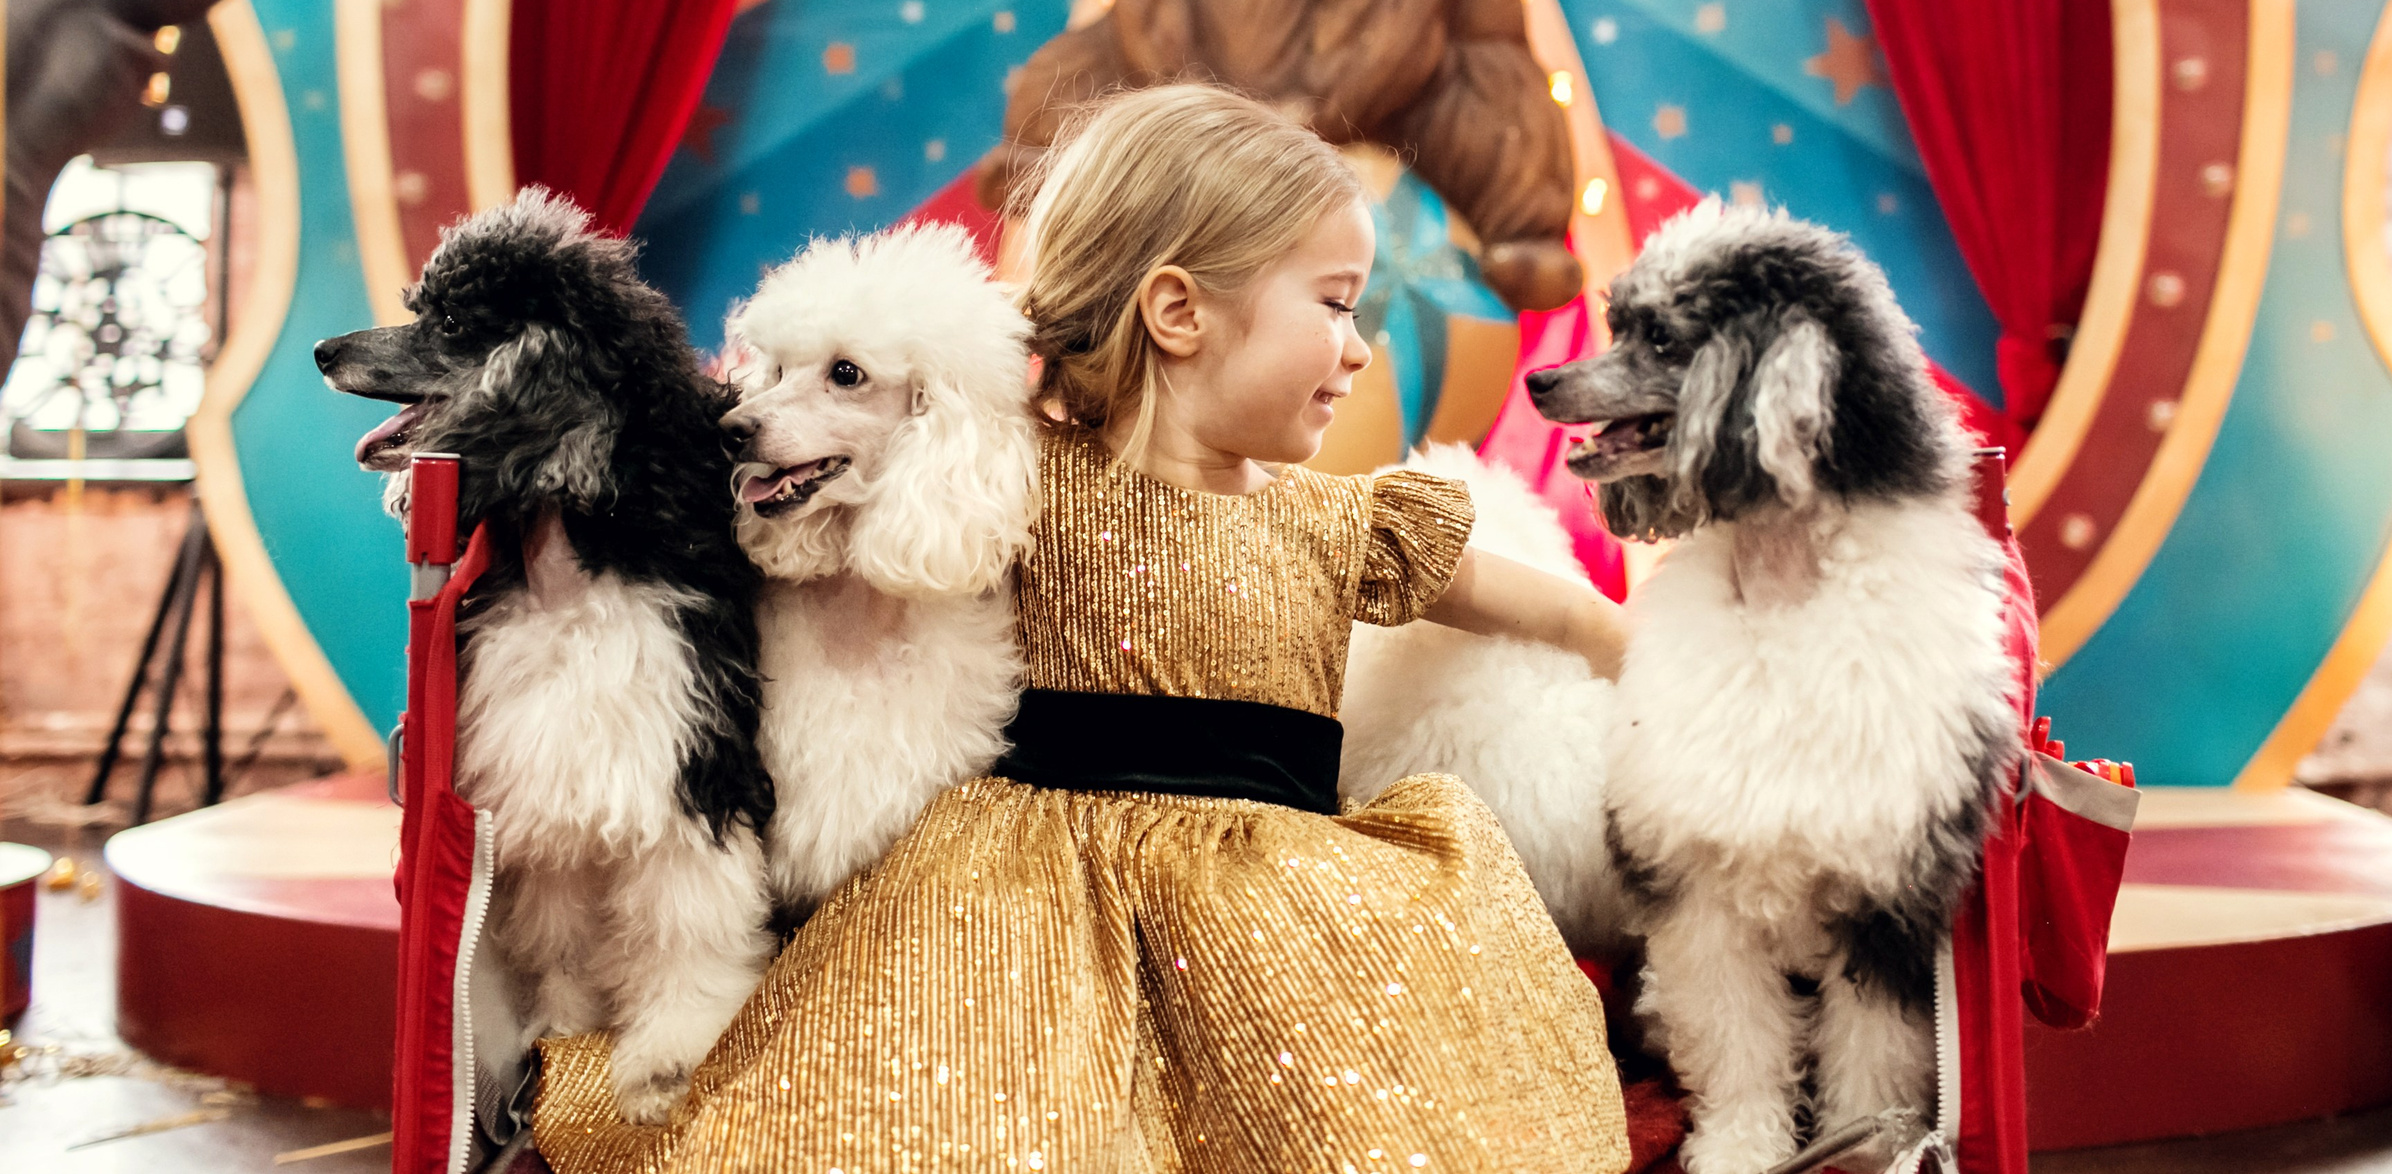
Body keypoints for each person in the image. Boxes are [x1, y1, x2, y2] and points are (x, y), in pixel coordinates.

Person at [536, 84, 1631, 1174]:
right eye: (1339, 304)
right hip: (1022, 912)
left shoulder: (1338, 521)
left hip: (1272, 914)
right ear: (1179, 312)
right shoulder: (1023, 482)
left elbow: (1534, 599)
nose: (1358, 349)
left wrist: (1622, 646)